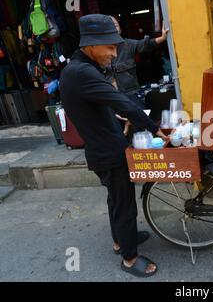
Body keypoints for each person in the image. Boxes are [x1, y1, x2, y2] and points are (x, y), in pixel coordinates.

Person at [60, 14, 169, 278]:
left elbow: (93, 105)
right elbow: (124, 102)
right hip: (109, 152)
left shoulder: (77, 69)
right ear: (92, 45)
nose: (114, 53)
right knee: (124, 205)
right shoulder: (83, 72)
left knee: (115, 201)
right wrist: (156, 129)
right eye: (110, 47)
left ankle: (120, 241)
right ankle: (130, 259)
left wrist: (113, 116)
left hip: (101, 148)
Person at [109, 15, 169, 107]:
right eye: (109, 26)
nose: (113, 28)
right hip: (111, 99)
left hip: (131, 95)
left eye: (115, 25)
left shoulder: (128, 45)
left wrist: (162, 38)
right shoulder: (97, 50)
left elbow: (145, 44)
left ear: (120, 29)